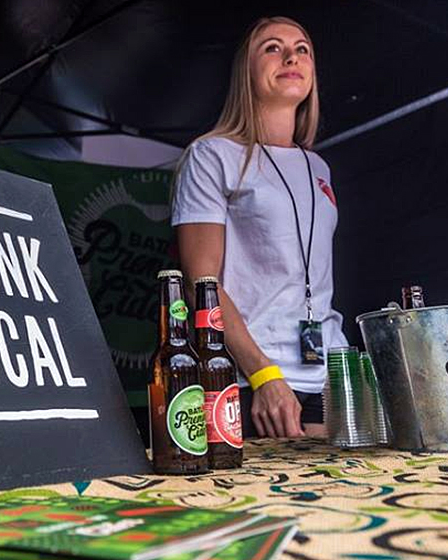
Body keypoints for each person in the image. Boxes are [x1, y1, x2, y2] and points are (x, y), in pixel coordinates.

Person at [171, 16, 348, 438]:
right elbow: (203, 281)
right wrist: (264, 375)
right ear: (245, 73)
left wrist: (345, 376)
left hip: (328, 376)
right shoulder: (212, 155)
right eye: (272, 47)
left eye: (302, 48)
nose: (291, 56)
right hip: (251, 379)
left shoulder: (317, 166)